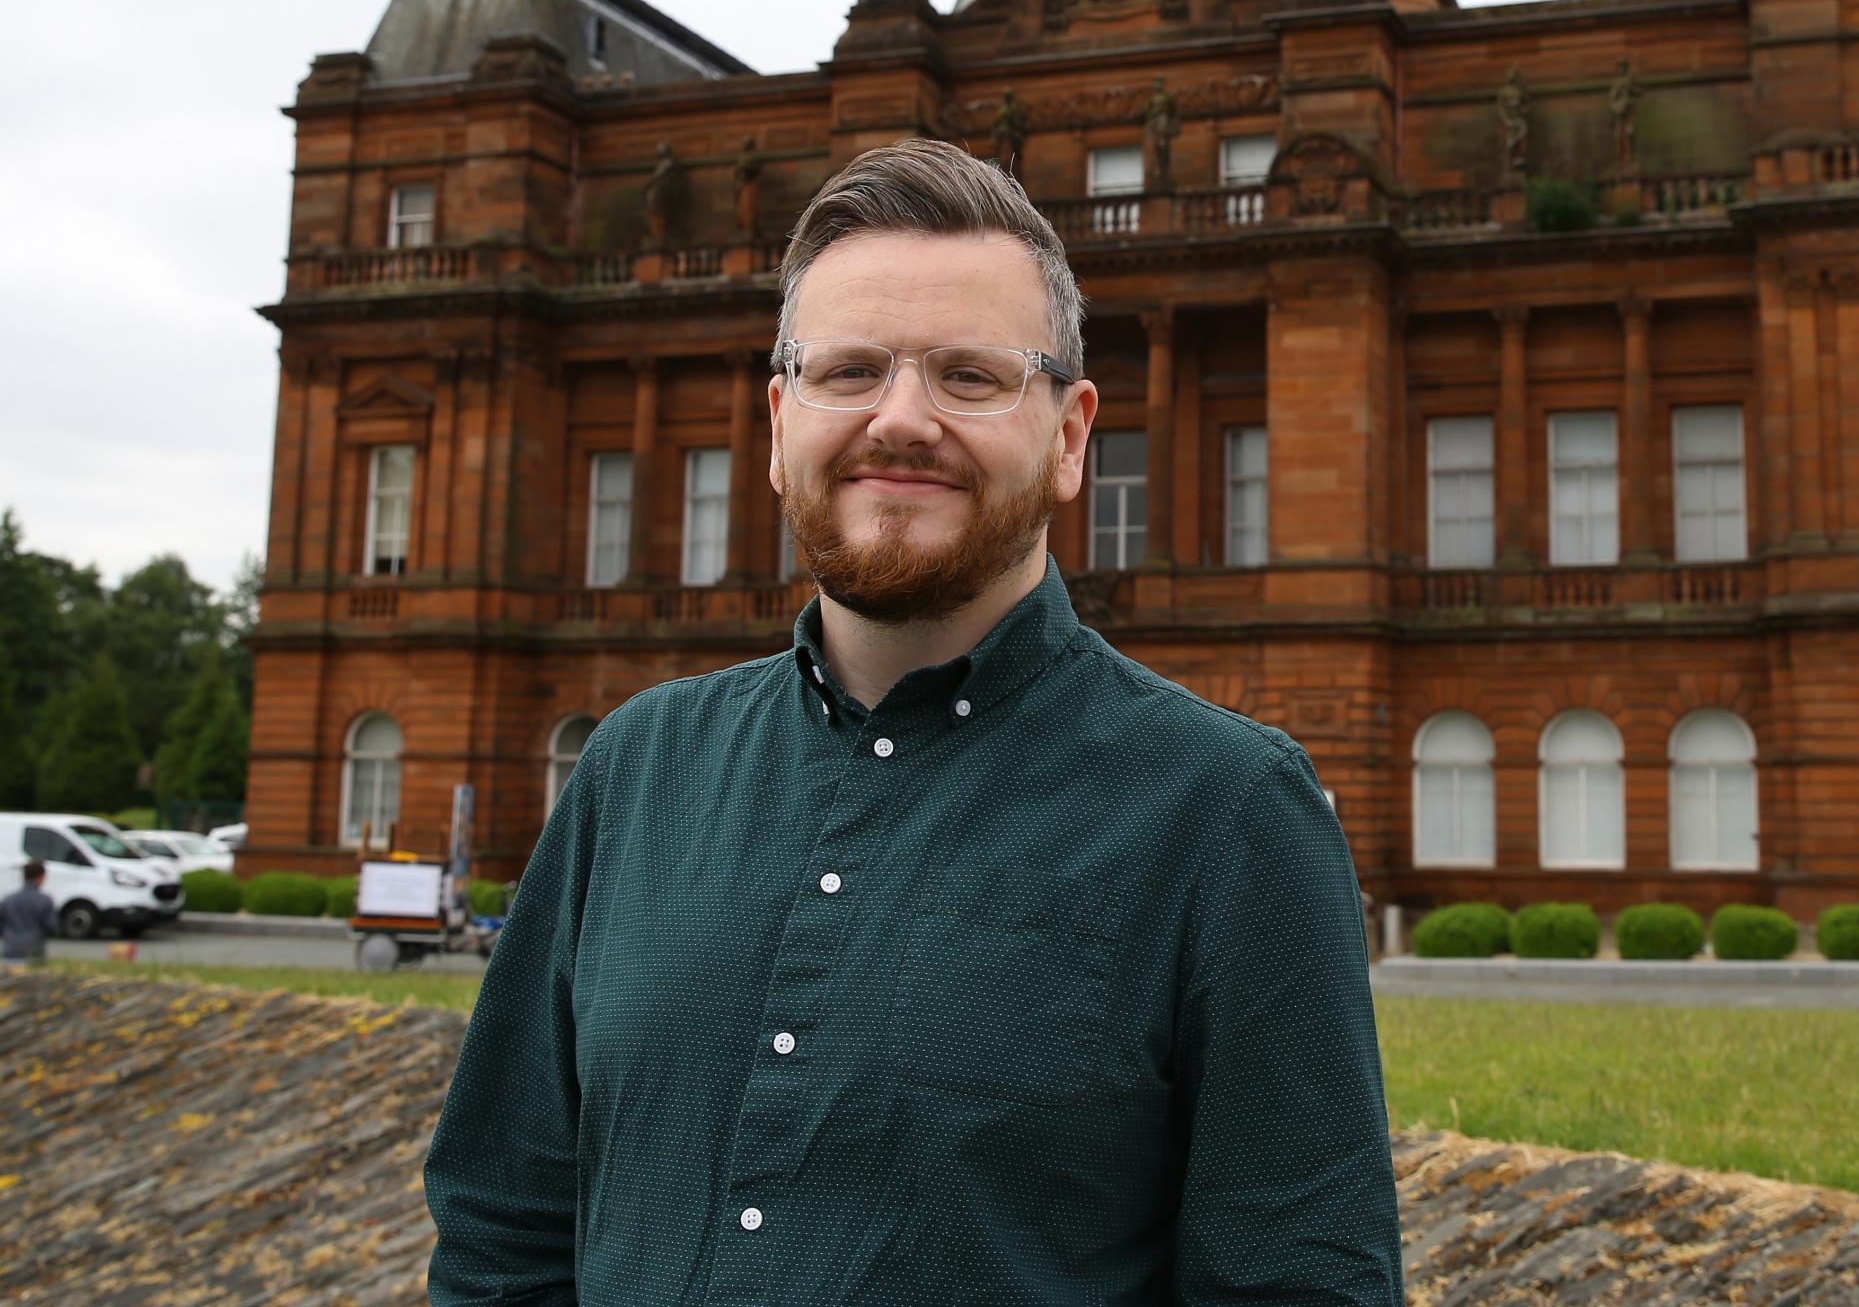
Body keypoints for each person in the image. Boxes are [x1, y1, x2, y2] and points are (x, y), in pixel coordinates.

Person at [424, 139, 1402, 1304]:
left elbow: (1300, 1285)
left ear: (1073, 436)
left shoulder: (1228, 811)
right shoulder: (634, 769)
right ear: (781, 423)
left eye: (970, 376)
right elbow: (502, 1230)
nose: (900, 420)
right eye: (849, 371)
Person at [1, 860, 59, 969]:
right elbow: (52, 927)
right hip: (34, 953)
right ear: (41, 877)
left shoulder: (7, 900)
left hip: (10, 953)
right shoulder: (45, 900)